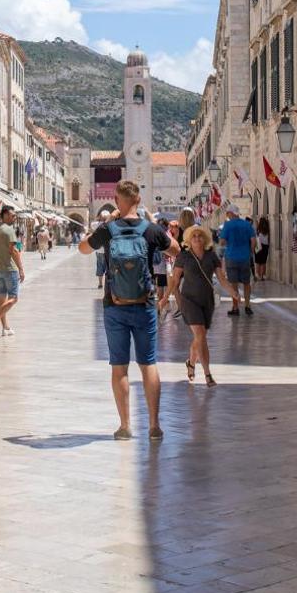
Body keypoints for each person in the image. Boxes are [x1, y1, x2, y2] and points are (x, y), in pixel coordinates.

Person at [81, 180, 176, 440]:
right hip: (145, 305)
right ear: (138, 200)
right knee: (149, 364)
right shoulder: (150, 228)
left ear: (118, 200)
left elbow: (83, 248)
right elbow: (176, 250)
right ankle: (154, 425)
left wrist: (108, 220)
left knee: (119, 367)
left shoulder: (109, 229)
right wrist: (151, 222)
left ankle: (125, 426)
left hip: (115, 305)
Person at [167, 224, 225, 386]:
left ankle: (191, 363)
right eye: (194, 236)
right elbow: (175, 279)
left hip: (207, 301)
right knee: (200, 335)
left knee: (200, 337)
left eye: (200, 236)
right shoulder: (183, 256)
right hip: (189, 300)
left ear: (205, 239)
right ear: (189, 240)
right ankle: (208, 374)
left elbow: (221, 278)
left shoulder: (211, 256)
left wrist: (234, 293)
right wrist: (165, 298)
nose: (197, 238)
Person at [0, 205, 25, 338]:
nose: (14, 217)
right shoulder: (9, 230)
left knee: (2, 298)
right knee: (13, 298)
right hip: (9, 269)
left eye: (14, 215)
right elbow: (14, 251)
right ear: (4, 215)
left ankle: (6, 328)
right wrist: (21, 269)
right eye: (12, 215)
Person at [218, 208, 256, 315]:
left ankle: (235, 307)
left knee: (233, 283)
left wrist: (229, 242)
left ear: (231, 213)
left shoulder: (228, 225)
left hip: (231, 257)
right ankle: (247, 306)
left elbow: (222, 242)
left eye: (228, 213)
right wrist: (250, 253)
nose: (227, 215)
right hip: (245, 257)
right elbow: (253, 241)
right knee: (246, 283)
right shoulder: (247, 224)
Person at [94, 210, 113, 289]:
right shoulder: (111, 226)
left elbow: (94, 222)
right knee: (109, 267)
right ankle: (107, 284)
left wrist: (99, 218)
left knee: (100, 267)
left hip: (99, 251)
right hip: (108, 250)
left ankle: (100, 283)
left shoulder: (96, 225)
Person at [254, 216, 271, 281]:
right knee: (263, 262)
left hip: (259, 246)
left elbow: (256, 238)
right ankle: (263, 275)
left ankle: (258, 275)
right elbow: (268, 239)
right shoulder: (267, 230)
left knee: (258, 262)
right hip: (265, 247)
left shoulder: (258, 230)